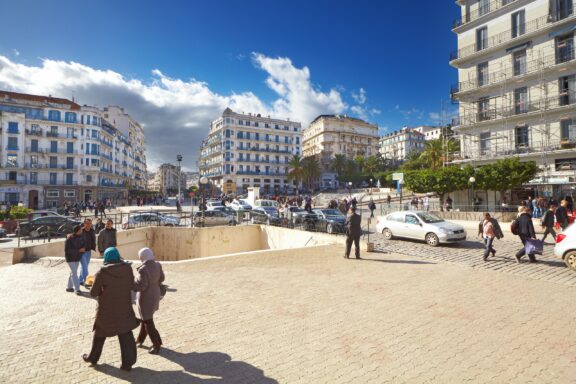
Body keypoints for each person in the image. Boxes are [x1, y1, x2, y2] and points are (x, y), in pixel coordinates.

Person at [82, 247, 139, 371]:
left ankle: (93, 357)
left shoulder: (101, 273)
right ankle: (127, 364)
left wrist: (92, 285)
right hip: (124, 308)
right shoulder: (127, 269)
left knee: (99, 334)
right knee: (125, 334)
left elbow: (94, 293)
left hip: (106, 310)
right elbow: (132, 286)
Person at [133, 248, 165, 355]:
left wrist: (133, 282)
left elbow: (141, 286)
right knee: (145, 319)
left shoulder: (143, 269)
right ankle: (140, 340)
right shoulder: (158, 265)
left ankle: (157, 344)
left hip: (145, 298)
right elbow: (162, 278)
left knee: (148, 321)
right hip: (155, 294)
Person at [65, 225, 86, 295]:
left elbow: (83, 246)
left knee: (73, 272)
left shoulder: (81, 237)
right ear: (77, 231)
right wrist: (79, 250)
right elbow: (67, 250)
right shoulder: (69, 239)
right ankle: (77, 289)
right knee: (74, 273)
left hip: (77, 257)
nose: (82, 231)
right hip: (70, 258)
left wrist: (82, 250)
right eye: (80, 230)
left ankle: (69, 287)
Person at [80, 218, 96, 287]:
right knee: (85, 267)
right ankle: (86, 282)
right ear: (84, 224)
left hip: (88, 251)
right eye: (87, 223)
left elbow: (93, 239)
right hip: (82, 252)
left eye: (89, 223)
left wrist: (94, 247)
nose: (88, 225)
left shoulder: (92, 231)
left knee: (84, 267)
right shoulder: (81, 231)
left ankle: (80, 280)